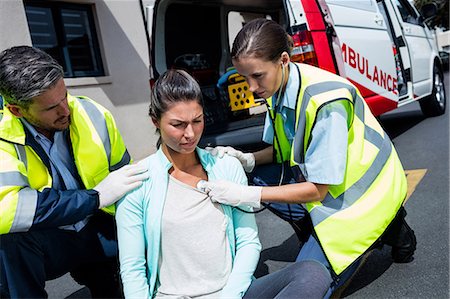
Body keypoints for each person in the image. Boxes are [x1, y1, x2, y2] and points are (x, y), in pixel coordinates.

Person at [201, 18, 417, 298]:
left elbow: (318, 189)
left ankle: (391, 224)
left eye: (257, 76)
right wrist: (245, 160)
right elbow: (282, 151)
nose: (251, 87)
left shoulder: (326, 101)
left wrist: (246, 194)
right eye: (244, 78)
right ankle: (325, 232)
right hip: (330, 190)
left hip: (364, 198)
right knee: (254, 175)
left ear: (283, 59)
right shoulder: (280, 87)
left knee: (308, 279)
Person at [115, 69, 332, 299]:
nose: (190, 133)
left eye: (197, 121)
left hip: (232, 293)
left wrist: (230, 295)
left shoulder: (225, 166)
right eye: (178, 124)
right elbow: (133, 268)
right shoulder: (137, 182)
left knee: (313, 273)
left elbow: (248, 242)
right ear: (155, 121)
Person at [0, 46, 149, 298]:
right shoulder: (3, 137)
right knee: (8, 243)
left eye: (65, 96)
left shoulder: (93, 114)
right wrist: (94, 197)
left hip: (99, 228)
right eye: (51, 108)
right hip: (53, 241)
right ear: (17, 110)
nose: (66, 110)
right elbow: (9, 211)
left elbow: (126, 178)